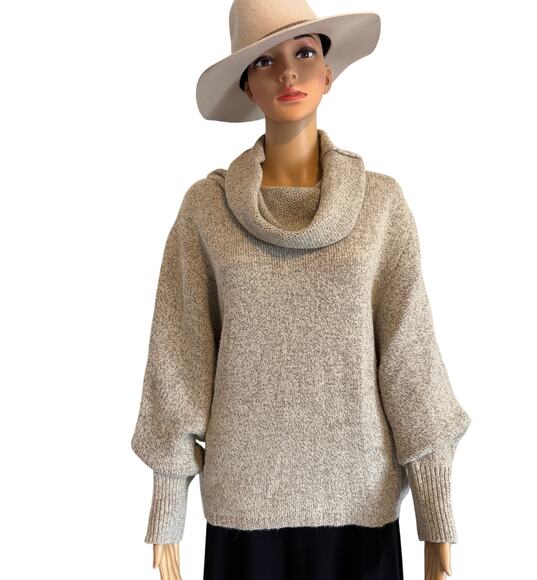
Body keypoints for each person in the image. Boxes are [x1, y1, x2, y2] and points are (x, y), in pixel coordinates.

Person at [130, 1, 472, 579]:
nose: (288, 72)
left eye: (305, 53)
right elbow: (179, 360)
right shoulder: (206, 211)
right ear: (248, 87)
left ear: (328, 73)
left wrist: (435, 519)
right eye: (265, 61)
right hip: (243, 512)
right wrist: (168, 512)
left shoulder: (380, 206)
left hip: (362, 509)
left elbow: (410, 359)